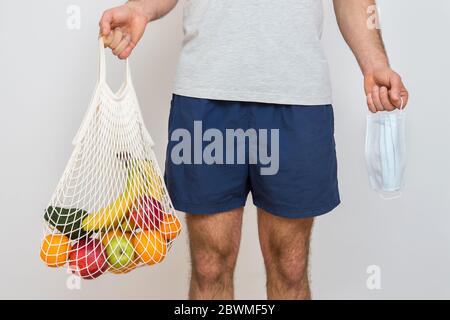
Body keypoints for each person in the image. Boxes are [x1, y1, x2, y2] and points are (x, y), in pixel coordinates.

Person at [99, 0, 409, 299]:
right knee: (209, 265)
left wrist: (375, 64)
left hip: (297, 96)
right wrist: (139, 7)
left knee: (290, 265)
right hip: (206, 92)